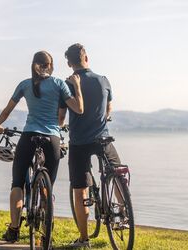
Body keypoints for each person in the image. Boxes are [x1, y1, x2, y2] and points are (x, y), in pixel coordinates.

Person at [0, 51, 84, 243]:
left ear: (33, 64)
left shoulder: (25, 84)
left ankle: (14, 229)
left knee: (17, 183)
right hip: (52, 138)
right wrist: (77, 86)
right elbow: (79, 109)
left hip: (29, 136)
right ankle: (46, 231)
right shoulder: (59, 84)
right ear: (50, 66)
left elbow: (8, 109)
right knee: (47, 186)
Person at [58, 43, 123, 248]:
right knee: (117, 173)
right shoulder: (103, 80)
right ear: (87, 58)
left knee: (80, 190)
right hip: (102, 138)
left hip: (79, 142)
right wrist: (104, 118)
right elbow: (109, 108)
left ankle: (84, 239)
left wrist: (62, 125)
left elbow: (61, 117)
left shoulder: (67, 84)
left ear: (69, 63)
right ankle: (122, 212)